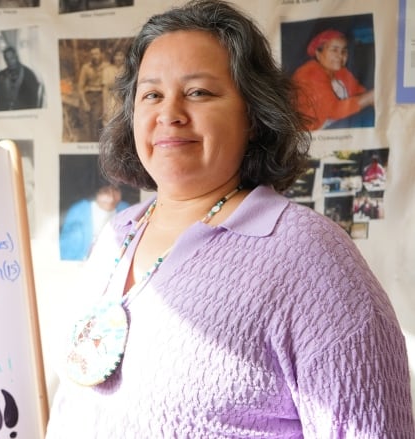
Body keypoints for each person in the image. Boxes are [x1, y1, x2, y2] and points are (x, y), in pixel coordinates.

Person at [45, 1, 414, 437]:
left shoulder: (309, 256)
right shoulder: (117, 234)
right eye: (151, 94)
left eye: (199, 92)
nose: (170, 113)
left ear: (254, 117)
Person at [292, 29, 375, 130]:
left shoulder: (340, 71)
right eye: (334, 50)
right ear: (318, 54)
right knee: (370, 121)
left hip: (335, 122)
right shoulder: (309, 73)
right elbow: (333, 111)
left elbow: (359, 91)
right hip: (314, 132)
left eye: (344, 51)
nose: (340, 56)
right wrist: (369, 97)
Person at [59, 184, 130, 261]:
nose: (111, 198)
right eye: (105, 192)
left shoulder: (126, 210)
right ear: (96, 191)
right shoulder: (78, 211)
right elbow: (66, 250)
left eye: (116, 190)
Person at [0, 47, 42, 111]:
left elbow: (33, 102)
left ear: (17, 57)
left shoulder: (29, 75)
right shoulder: (1, 75)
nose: (10, 62)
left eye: (12, 58)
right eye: (7, 60)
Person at [77, 46, 109, 141]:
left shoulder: (106, 67)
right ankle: (90, 141)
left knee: (96, 119)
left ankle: (96, 141)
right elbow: (80, 87)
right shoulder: (86, 67)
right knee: (87, 121)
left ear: (101, 55)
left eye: (97, 53)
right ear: (90, 56)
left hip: (100, 95)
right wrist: (84, 102)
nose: (94, 56)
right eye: (92, 54)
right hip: (88, 96)